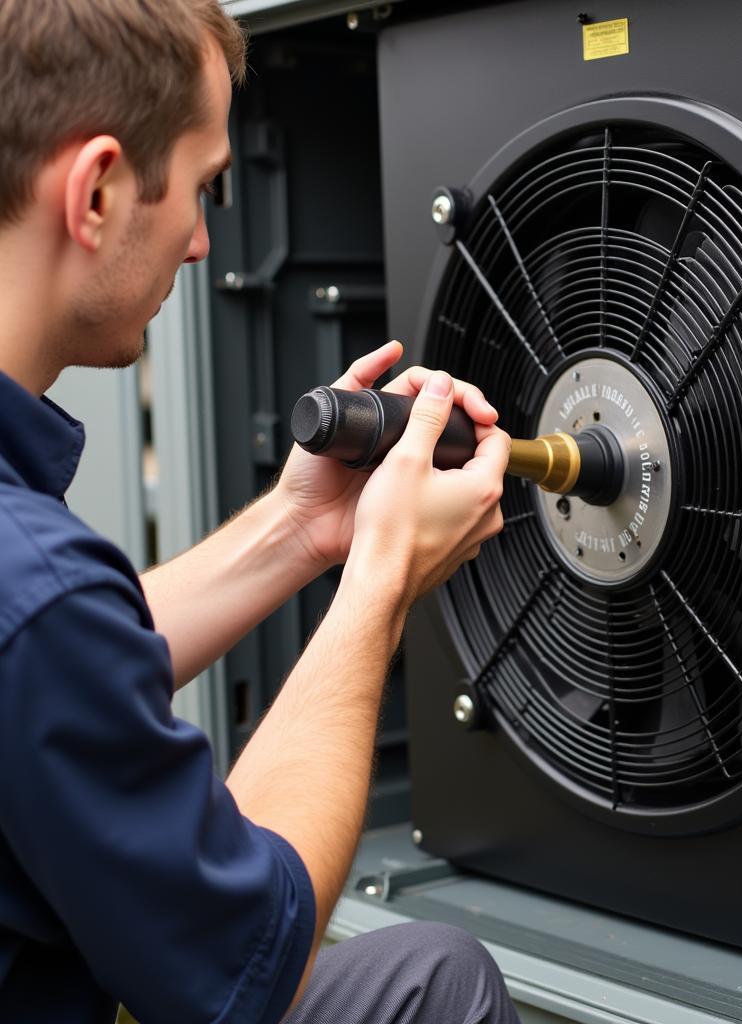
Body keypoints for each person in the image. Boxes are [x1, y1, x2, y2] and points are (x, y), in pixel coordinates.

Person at [0, 2, 518, 1022]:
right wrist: (378, 579)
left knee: (428, 977)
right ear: (96, 189)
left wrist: (302, 528)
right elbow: (251, 963)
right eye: (201, 188)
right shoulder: (35, 584)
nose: (200, 243)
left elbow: (58, 664)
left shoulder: (36, 597)